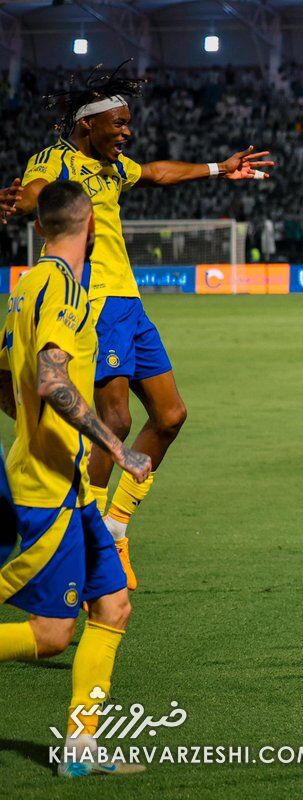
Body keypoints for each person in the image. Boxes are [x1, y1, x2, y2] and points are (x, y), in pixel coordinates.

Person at [0, 64, 272, 589]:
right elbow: (34, 192)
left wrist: (219, 168)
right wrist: (18, 200)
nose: (127, 131)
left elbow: (157, 174)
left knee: (170, 416)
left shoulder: (114, 167)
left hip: (130, 303)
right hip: (94, 302)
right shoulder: (57, 159)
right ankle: (89, 543)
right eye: (119, 123)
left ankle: (115, 526)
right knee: (117, 421)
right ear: (88, 125)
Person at [0, 180, 152, 776]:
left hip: (70, 485)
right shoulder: (64, 286)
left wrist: (31, 426)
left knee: (112, 607)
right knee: (50, 636)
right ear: (92, 228)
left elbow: (6, 378)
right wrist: (118, 448)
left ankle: (80, 753)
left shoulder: (24, 285)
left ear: (40, 227)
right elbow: (51, 379)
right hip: (50, 490)